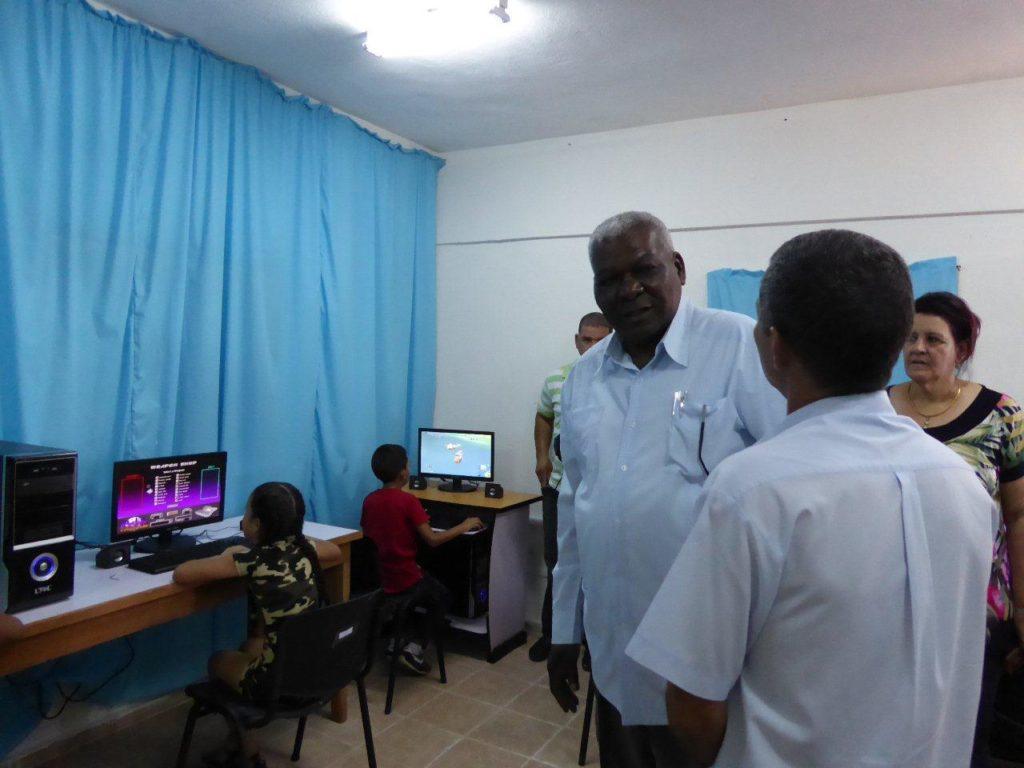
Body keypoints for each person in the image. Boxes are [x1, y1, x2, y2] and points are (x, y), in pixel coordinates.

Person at [627, 230, 995, 767]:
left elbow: (691, 702)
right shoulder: (963, 486)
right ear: (897, 347)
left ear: (774, 345)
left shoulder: (753, 490)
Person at [547, 211, 784, 767]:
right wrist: (564, 627)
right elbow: (575, 510)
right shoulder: (583, 378)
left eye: (645, 270)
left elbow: (788, 481)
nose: (628, 289)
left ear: (677, 267)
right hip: (615, 650)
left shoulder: (736, 346)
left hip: (708, 658)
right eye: (610, 279)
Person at [888, 291, 1024, 767]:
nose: (917, 348)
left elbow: (1019, 516)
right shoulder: (877, 411)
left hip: (974, 610)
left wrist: (1023, 607)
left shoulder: (1002, 415)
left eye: (932, 339)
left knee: (967, 738)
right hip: (891, 608)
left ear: (962, 350)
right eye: (909, 337)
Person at [173, 482, 341, 768]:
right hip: (315, 672)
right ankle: (236, 743)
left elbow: (182, 574)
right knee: (249, 645)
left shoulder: (252, 559)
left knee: (217, 661)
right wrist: (293, 535)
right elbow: (335, 552)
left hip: (278, 683)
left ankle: (249, 752)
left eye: (247, 513)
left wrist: (228, 556)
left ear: (258, 524)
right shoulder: (307, 549)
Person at [530, 311, 611, 663]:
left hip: (601, 491)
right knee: (556, 561)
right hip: (559, 486)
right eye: (585, 339)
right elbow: (544, 415)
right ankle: (554, 635)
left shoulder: (620, 379)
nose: (591, 346)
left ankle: (593, 645)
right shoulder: (556, 379)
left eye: (599, 339)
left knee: (598, 566)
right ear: (576, 340)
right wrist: (541, 457)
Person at [361, 444, 483, 674]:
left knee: (425, 583)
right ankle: (413, 648)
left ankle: (395, 640)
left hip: (381, 579)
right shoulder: (408, 502)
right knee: (443, 596)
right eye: (408, 464)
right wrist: (464, 525)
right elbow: (433, 541)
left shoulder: (370, 500)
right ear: (403, 473)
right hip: (404, 578)